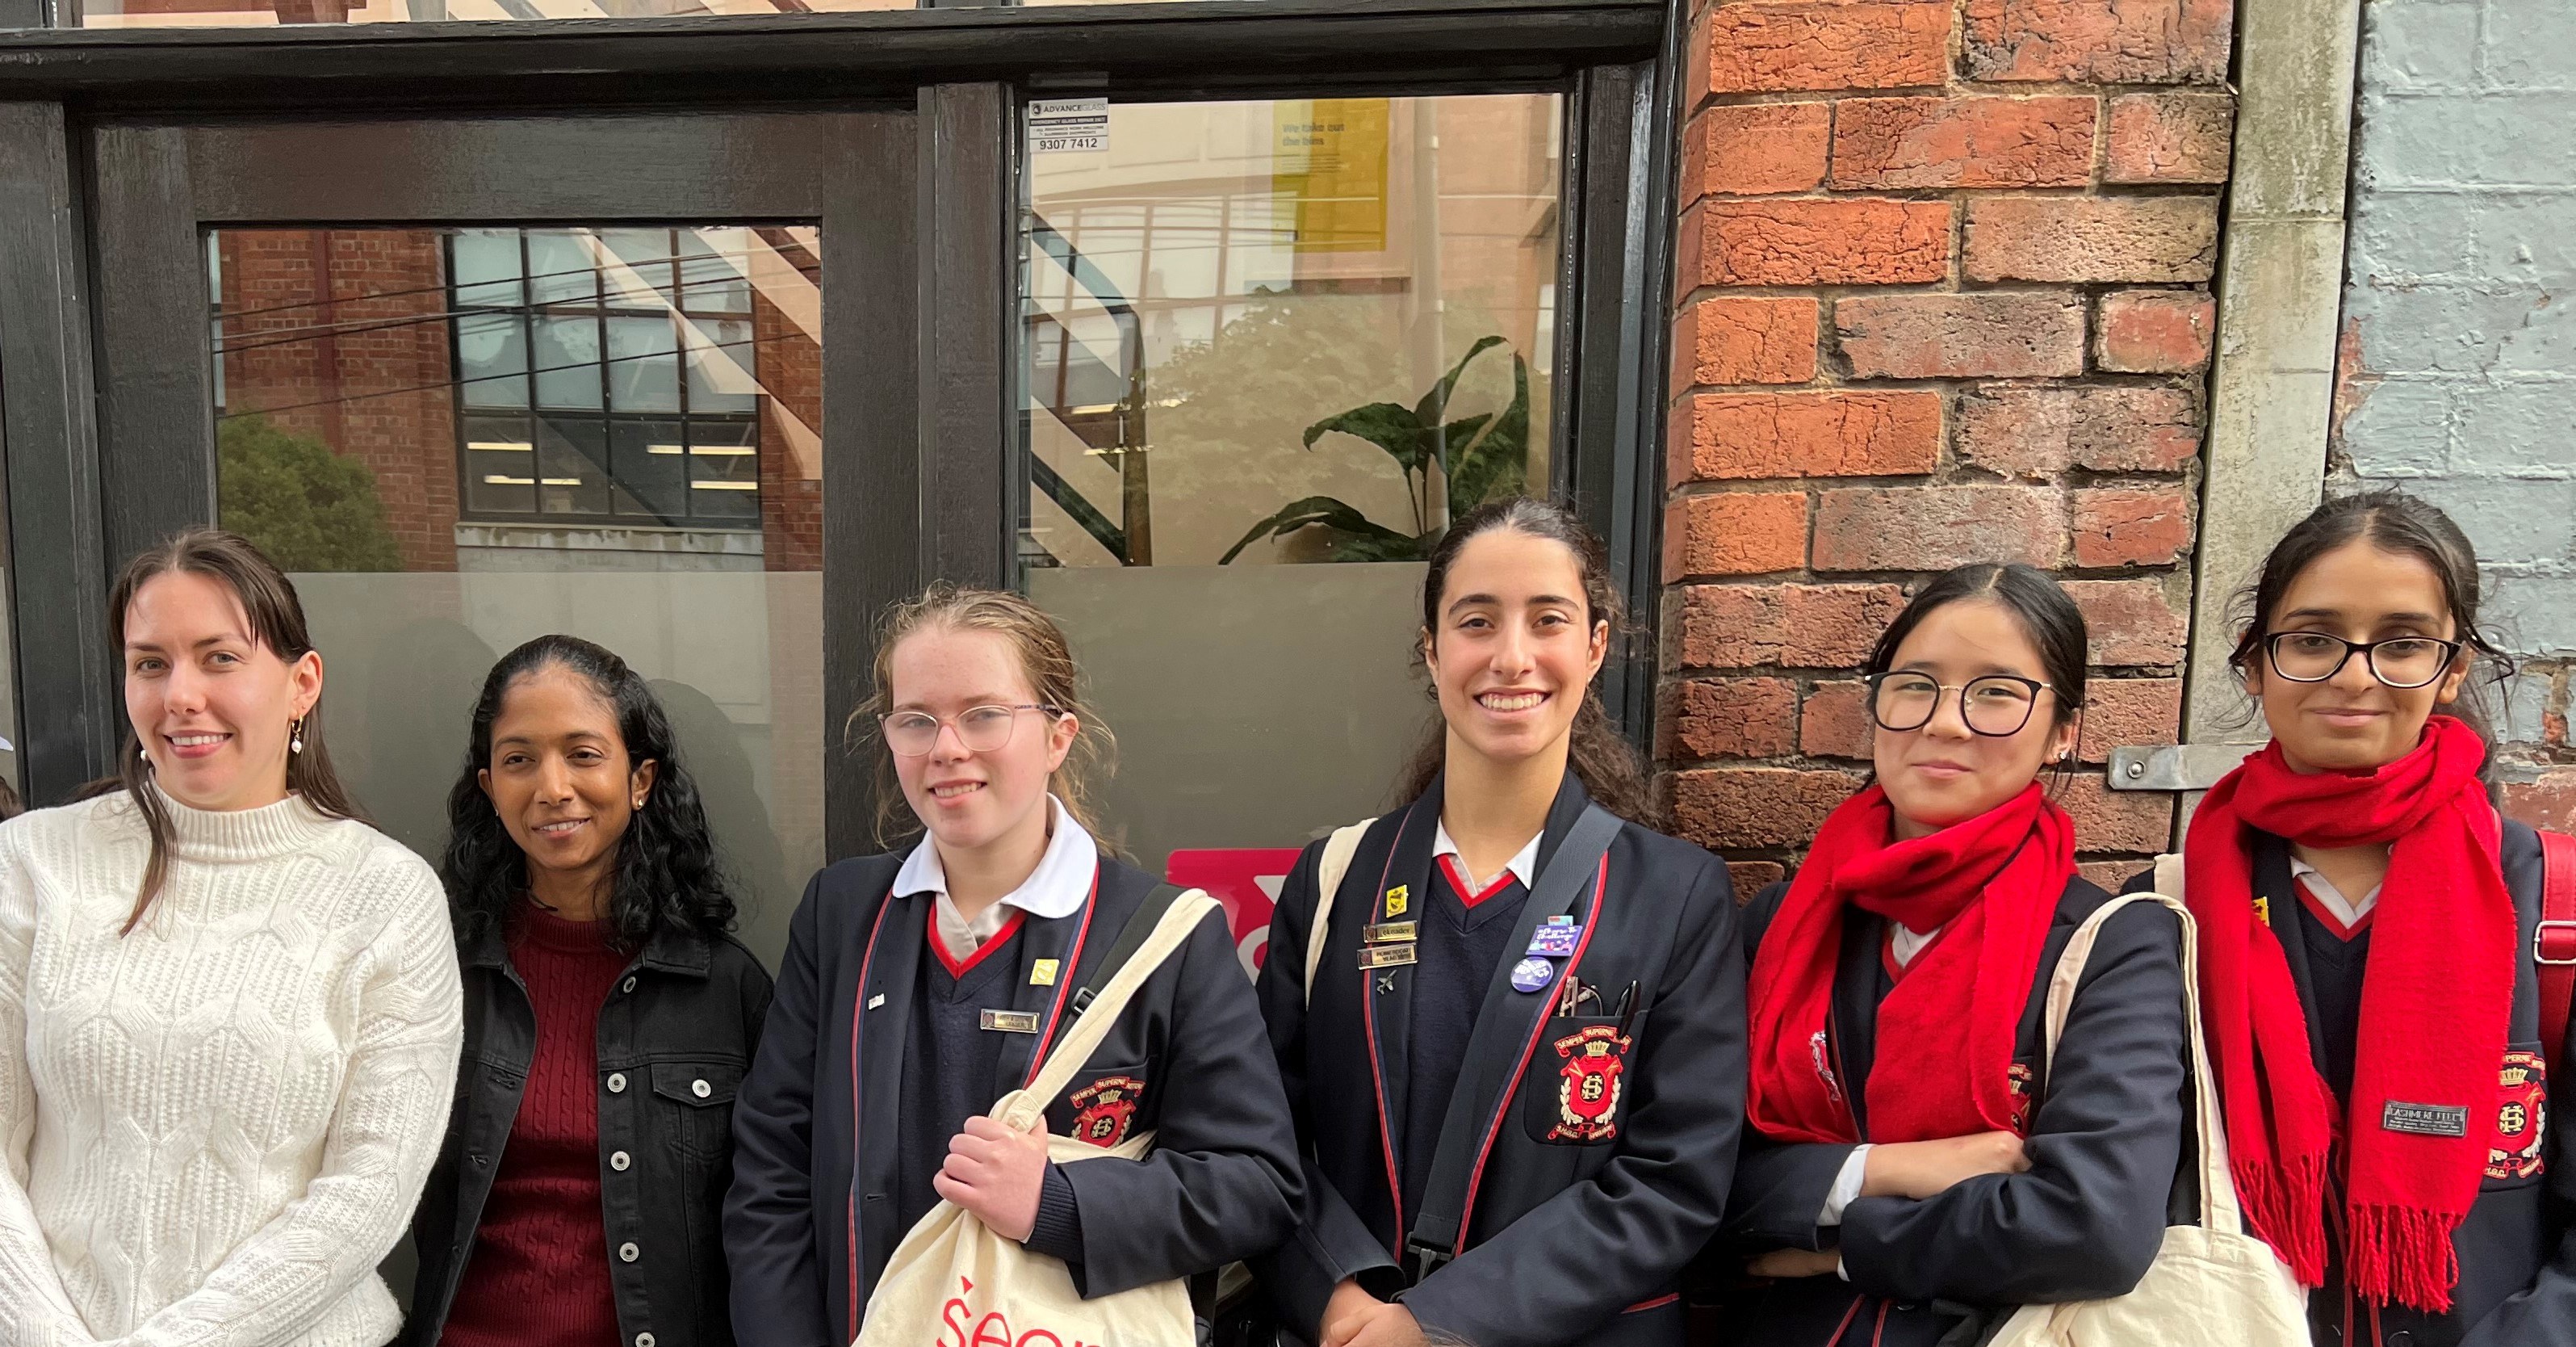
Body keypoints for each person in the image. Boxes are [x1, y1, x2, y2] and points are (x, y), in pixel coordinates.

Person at [725, 584, 1301, 1346]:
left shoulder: (1165, 937)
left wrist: (1056, 1203)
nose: (946, 748)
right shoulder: (842, 913)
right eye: (916, 720)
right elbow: (772, 1171)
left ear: (1058, 737)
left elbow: (1255, 1185)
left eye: (983, 714)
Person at [1252, 497, 1745, 1347]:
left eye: (1547, 620)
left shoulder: (1673, 895)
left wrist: (1434, 1324)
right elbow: (1260, 1135)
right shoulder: (1335, 881)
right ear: (1431, 649)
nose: (1511, 657)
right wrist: (1336, 1298)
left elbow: (1673, 1178)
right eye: (1476, 621)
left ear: (1594, 646)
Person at [2133, 489, 2576, 1345]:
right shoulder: (2162, 912)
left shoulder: (2552, 911)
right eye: (2312, 640)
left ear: (2452, 669)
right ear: (2253, 663)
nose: (2353, 675)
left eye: (2402, 644)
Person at [0, 528, 462, 1347]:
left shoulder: (387, 895)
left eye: (219, 659)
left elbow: (371, 1186)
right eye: (150, 663)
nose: (180, 695)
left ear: (301, 683)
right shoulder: (32, 862)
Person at [1721, 563, 2189, 1346]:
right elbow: (1690, 1177)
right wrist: (1889, 1171)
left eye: (1997, 693)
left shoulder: (2111, 944)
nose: (1945, 722)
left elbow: (2093, 1226)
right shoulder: (1782, 926)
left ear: (2063, 730)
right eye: (1915, 686)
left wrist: (1839, 1248)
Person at [404, 636, 775, 1347]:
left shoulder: (725, 990)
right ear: (489, 787)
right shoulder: (438, 978)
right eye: (519, 760)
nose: (552, 788)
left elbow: (774, 1217)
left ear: (640, 780)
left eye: (582, 754)